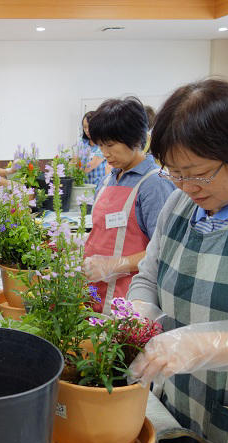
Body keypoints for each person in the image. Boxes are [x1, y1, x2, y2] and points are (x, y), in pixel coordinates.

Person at [127, 79, 228, 443]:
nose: (186, 185)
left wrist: (211, 345)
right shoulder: (180, 205)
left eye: (198, 172)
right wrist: (138, 314)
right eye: (174, 172)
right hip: (179, 407)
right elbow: (148, 275)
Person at [83, 97, 175, 312]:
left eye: (111, 145)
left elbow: (165, 250)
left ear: (135, 139)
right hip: (96, 292)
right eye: (100, 146)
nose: (105, 154)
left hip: (130, 298)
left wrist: (115, 264)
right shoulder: (107, 180)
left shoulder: (155, 183)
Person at [77, 111, 107, 186]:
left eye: (89, 126)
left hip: (99, 186)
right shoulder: (82, 143)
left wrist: (76, 174)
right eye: (85, 127)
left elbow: (93, 163)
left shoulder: (104, 143)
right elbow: (76, 161)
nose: (87, 130)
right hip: (85, 186)